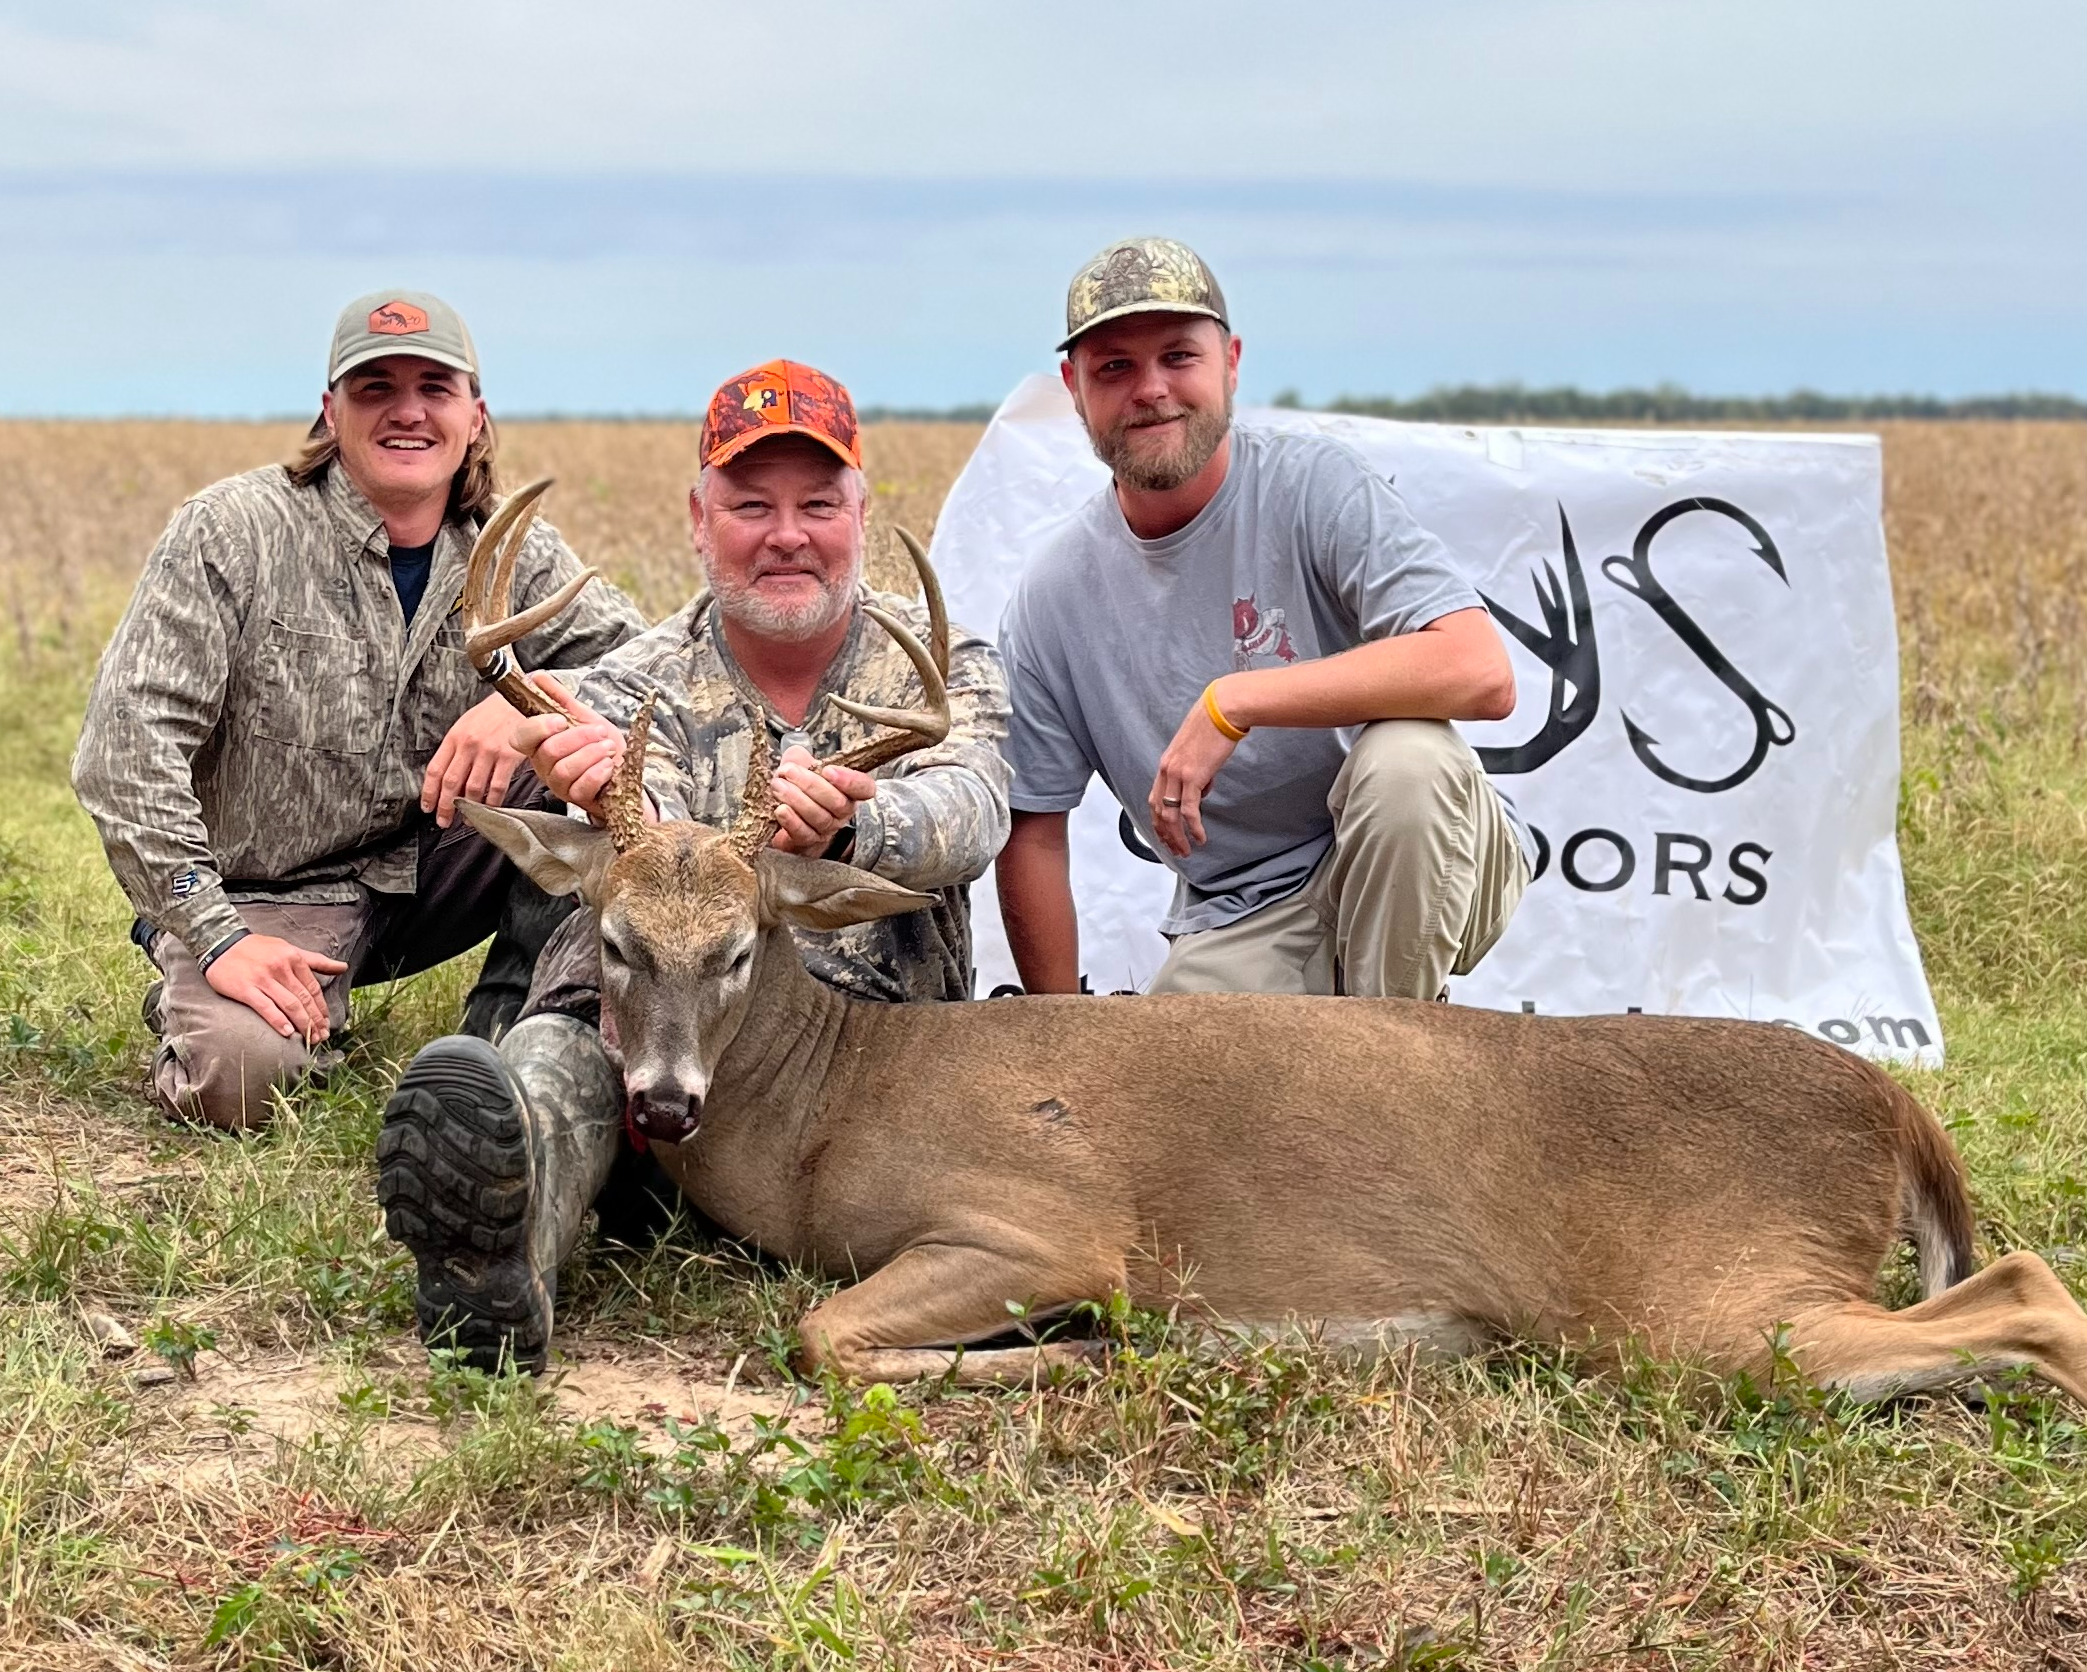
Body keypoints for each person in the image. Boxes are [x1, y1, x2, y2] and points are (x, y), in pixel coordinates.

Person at [377, 358, 1010, 1369]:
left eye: (817, 502)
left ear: (860, 508)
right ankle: (509, 1232)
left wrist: (859, 826)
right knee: (616, 930)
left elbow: (977, 808)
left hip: (867, 1071)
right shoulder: (638, 679)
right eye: (751, 504)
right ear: (699, 518)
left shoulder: (931, 675)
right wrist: (591, 791)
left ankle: (607, 1187)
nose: (787, 533)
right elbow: (640, 849)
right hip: (664, 1054)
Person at [73, 286, 641, 1127]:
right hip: (268, 892)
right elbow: (126, 752)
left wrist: (531, 714)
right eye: (376, 388)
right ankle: (201, 981)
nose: (407, 413)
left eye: (434, 390)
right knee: (238, 1081)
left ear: (474, 416)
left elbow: (649, 667)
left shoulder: (511, 548)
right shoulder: (232, 532)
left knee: (592, 767)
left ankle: (517, 1029)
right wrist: (214, 931)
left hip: (439, 865)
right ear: (330, 413)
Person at [993, 236, 1525, 1003]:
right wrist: (1056, 1030)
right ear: (1075, 387)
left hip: (1417, 853)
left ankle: (1400, 1057)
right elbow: (1034, 831)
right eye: (1115, 367)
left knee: (1409, 761)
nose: (1150, 389)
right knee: (1176, 1085)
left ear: (1231, 363)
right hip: (1244, 909)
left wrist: (1233, 702)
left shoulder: (1317, 486)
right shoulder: (1052, 597)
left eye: (1178, 357)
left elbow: (1480, 671)